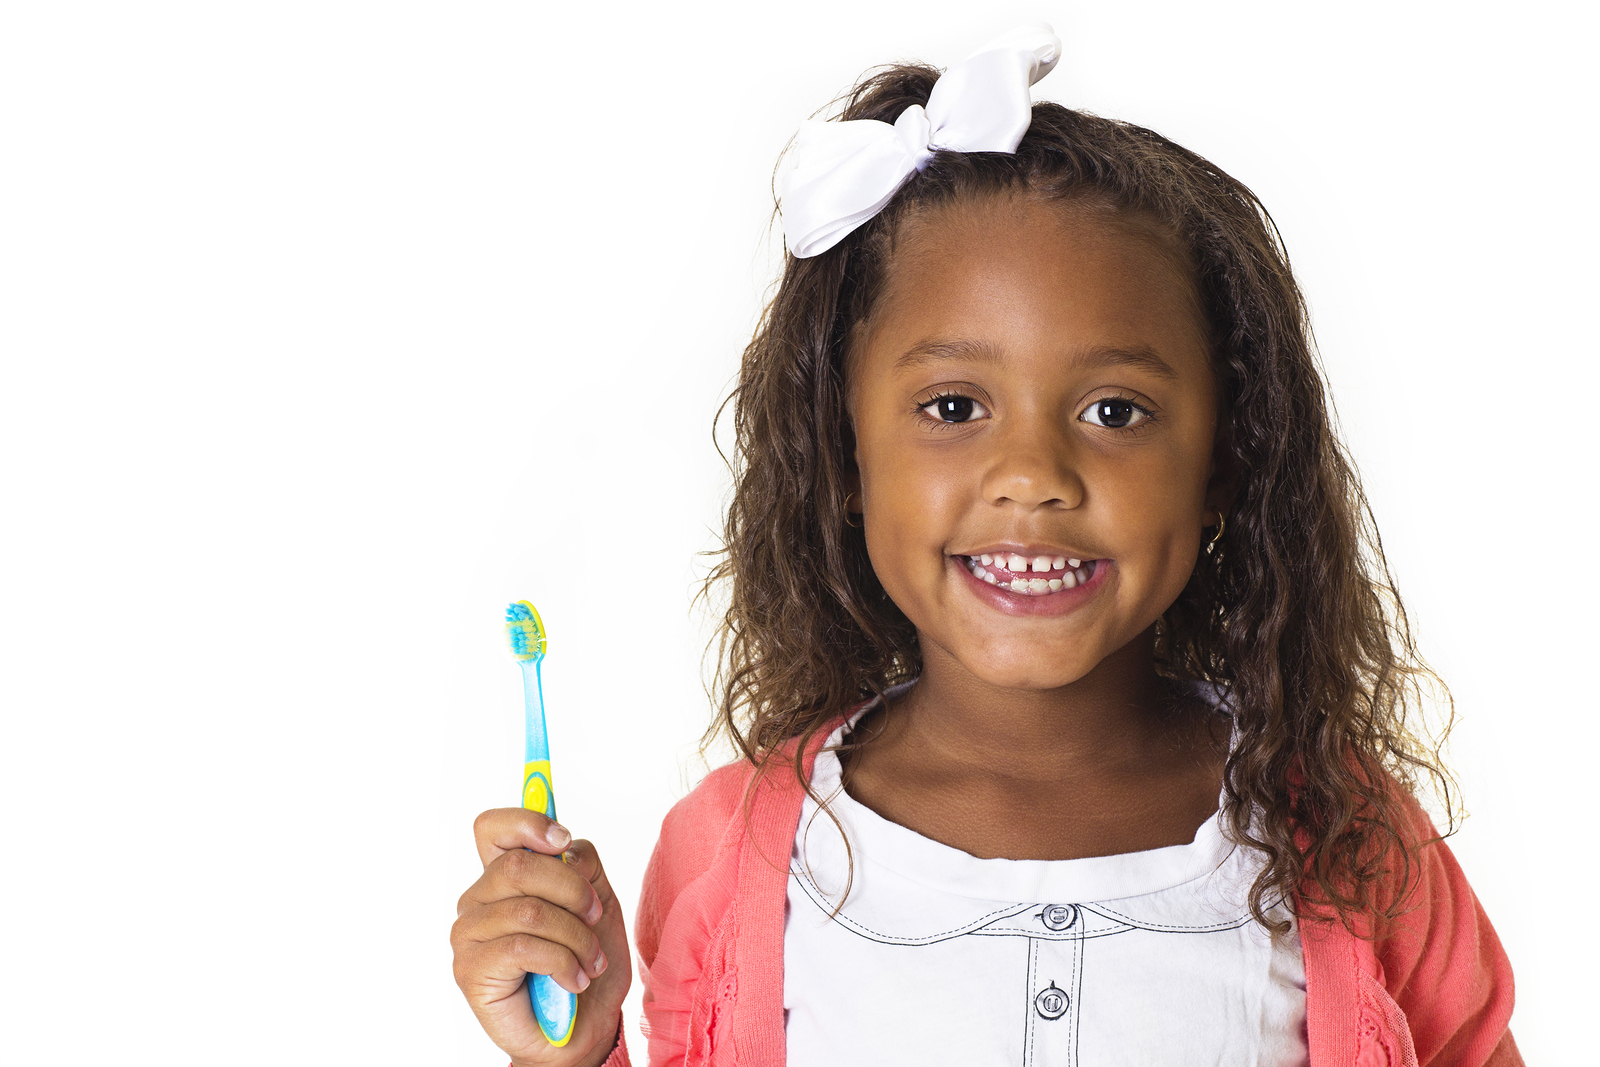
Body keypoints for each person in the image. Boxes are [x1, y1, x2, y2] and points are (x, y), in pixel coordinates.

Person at [450, 26, 1519, 1067]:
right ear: (845, 453)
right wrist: (572, 1053)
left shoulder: (1353, 843)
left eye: (1114, 410)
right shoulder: (726, 857)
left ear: (1226, 462)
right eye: (955, 404)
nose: (1032, 474)